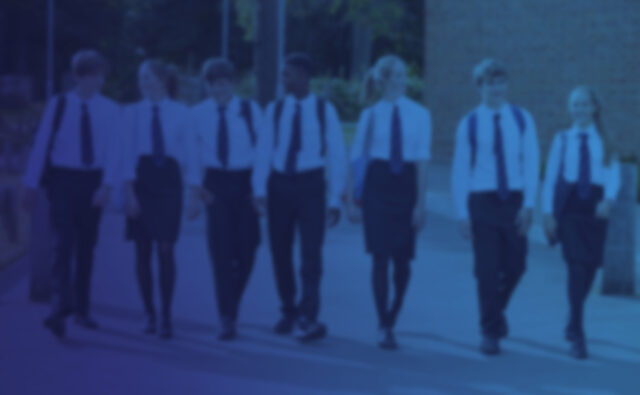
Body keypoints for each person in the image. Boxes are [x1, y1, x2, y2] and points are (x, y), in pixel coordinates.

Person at [22, 49, 121, 338]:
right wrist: (30, 185)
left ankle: (82, 309)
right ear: (78, 77)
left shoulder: (111, 110)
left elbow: (116, 152)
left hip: (93, 181)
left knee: (86, 248)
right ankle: (57, 309)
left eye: (101, 76)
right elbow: (42, 144)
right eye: (91, 76)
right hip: (63, 181)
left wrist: (107, 186)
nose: (97, 81)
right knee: (62, 245)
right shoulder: (60, 104)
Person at [252, 53, 347, 343]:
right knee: (280, 252)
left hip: (310, 185)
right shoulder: (275, 109)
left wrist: (335, 199)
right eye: (283, 75)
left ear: (304, 77)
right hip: (280, 185)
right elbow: (264, 151)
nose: (283, 80)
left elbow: (337, 155)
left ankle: (309, 316)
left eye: (288, 75)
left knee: (310, 255)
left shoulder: (323, 109)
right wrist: (259, 190)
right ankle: (289, 309)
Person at [451, 58, 540, 355]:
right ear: (480, 86)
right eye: (490, 83)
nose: (497, 88)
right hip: (483, 201)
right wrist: (463, 213)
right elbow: (460, 170)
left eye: (501, 82)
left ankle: (496, 311)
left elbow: (530, 163)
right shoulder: (470, 123)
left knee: (517, 265)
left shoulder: (522, 118)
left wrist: (529, 205)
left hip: (513, 200)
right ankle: (489, 331)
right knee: (487, 270)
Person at [347, 55, 430, 350]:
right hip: (377, 186)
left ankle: (394, 311)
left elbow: (421, 162)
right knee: (380, 257)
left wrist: (420, 204)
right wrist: (353, 201)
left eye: (403, 75)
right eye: (394, 76)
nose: (400, 81)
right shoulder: (370, 115)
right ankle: (384, 322)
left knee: (403, 262)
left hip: (405, 185)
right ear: (382, 81)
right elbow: (358, 160)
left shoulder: (420, 114)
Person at [542, 86, 620, 359]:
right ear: (570, 108)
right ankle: (578, 333)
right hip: (571, 210)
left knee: (589, 269)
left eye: (584, 104)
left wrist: (608, 200)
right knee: (576, 267)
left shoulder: (605, 140)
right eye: (575, 105)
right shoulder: (562, 140)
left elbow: (614, 173)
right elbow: (551, 178)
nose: (580, 109)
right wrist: (548, 213)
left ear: (594, 108)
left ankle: (572, 319)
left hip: (596, 209)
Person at [186, 58, 262, 341]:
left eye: (224, 83)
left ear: (233, 83)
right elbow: (192, 155)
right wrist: (195, 190)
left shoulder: (249, 110)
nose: (219, 89)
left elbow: (262, 151)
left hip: (245, 183)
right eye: (213, 84)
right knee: (220, 253)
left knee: (248, 249)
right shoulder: (197, 114)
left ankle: (232, 302)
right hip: (215, 184)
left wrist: (259, 190)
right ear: (206, 85)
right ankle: (226, 317)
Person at [122, 59, 188, 339]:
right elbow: (125, 156)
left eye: (148, 78)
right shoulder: (131, 113)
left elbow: (188, 155)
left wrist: (193, 189)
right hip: (141, 180)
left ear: (162, 80)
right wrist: (129, 193)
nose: (143, 83)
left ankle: (166, 316)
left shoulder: (181, 112)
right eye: (140, 78)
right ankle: (148, 311)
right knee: (143, 250)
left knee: (166, 249)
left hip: (169, 182)